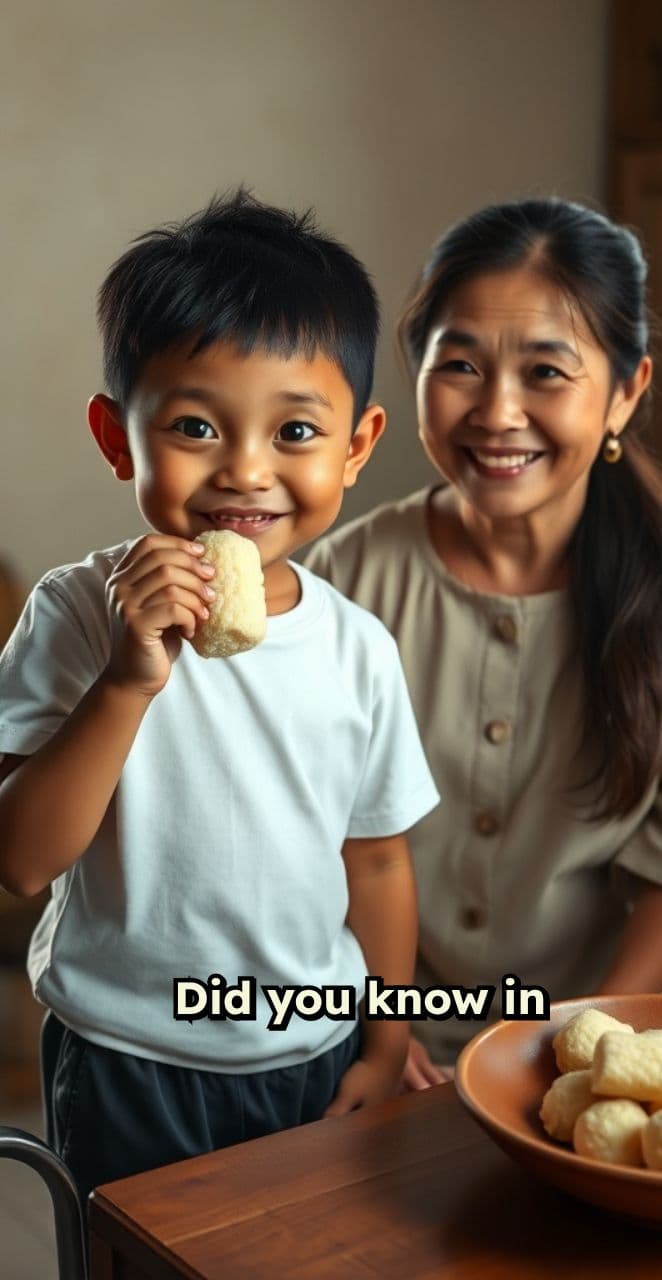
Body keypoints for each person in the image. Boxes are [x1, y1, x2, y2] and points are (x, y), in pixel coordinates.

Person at [0, 190, 438, 1200]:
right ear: (119, 437)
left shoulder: (357, 647)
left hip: (312, 1054)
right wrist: (126, 679)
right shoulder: (77, 612)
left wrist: (386, 1039)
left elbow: (375, 863)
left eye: (295, 430)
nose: (247, 469)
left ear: (357, 446)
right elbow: (19, 860)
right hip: (127, 1054)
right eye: (196, 424)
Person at [306, 198, 662, 1089]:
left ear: (625, 393)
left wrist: (576, 1046)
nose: (497, 412)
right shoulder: (342, 576)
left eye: (545, 372)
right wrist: (381, 1030)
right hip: (390, 1044)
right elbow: (299, 835)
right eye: (459, 364)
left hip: (612, 1042)